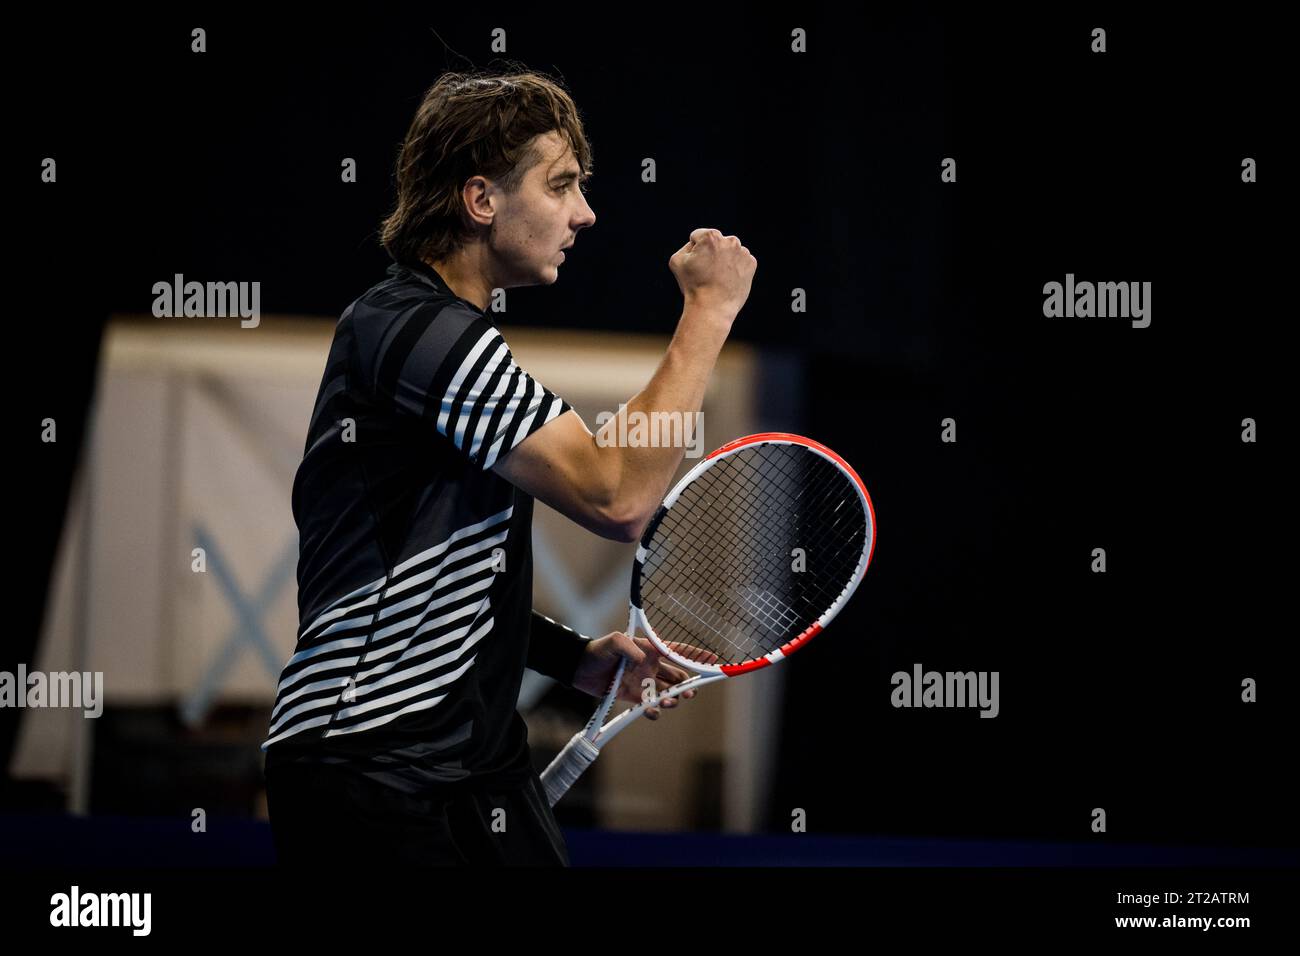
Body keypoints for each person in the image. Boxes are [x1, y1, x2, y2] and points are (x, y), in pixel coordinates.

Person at [261, 69, 756, 866]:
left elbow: (428, 577)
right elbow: (620, 495)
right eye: (561, 185)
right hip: (369, 767)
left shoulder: (439, 338)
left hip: (473, 771)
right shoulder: (411, 330)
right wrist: (708, 313)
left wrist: (570, 658)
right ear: (481, 199)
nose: (585, 214)